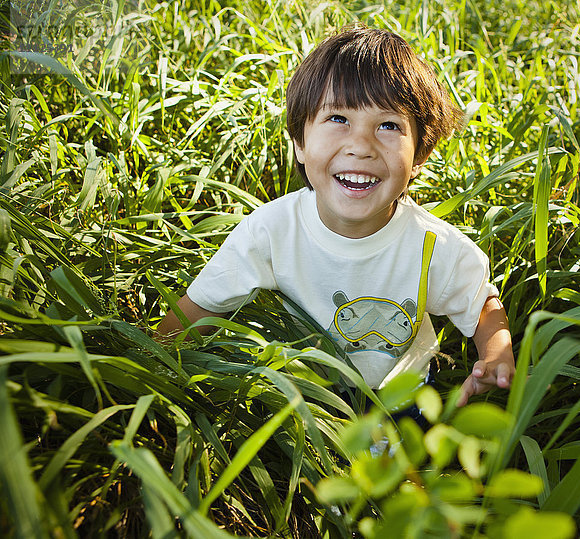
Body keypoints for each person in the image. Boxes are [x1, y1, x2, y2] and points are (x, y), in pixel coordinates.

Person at [157, 26, 515, 408]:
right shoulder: (271, 231)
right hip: (307, 395)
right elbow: (199, 309)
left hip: (405, 394)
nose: (361, 146)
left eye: (388, 125)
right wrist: (149, 362)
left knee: (413, 464)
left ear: (419, 157)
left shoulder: (433, 245)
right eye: (338, 119)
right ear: (299, 142)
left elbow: (481, 308)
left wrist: (495, 356)